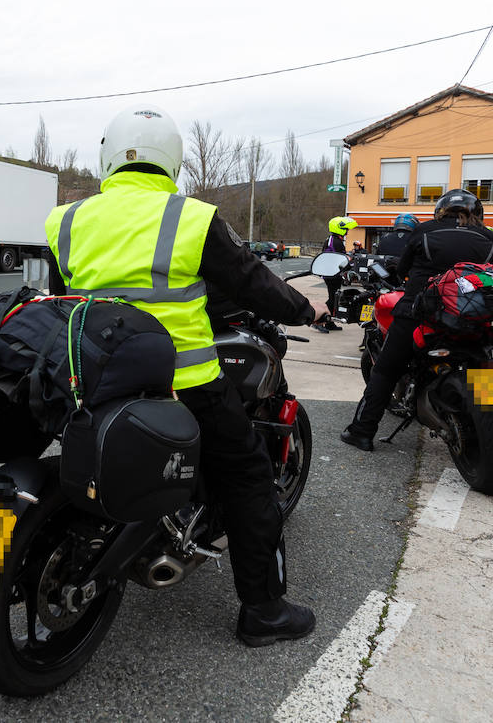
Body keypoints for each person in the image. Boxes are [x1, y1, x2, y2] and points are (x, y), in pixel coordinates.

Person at [43, 106, 329, 646]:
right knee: (247, 476)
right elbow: (253, 283)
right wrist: (306, 310)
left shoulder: (67, 219)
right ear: (173, 159)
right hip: (180, 381)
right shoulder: (191, 218)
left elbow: (67, 297)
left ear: (108, 157)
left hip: (87, 376)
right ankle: (264, 612)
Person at [340, 189, 493, 451]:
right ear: (477, 213)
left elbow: (402, 271)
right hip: (475, 319)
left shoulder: (425, 231)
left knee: (385, 370)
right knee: (491, 367)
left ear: (441, 210)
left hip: (419, 315)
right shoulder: (492, 239)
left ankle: (361, 431)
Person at [316, 216, 357, 332]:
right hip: (332, 274)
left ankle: (329, 323)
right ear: (340, 228)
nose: (347, 231)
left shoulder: (332, 239)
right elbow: (340, 258)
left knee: (334, 298)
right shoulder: (337, 241)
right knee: (332, 299)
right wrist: (350, 262)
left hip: (332, 273)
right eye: (346, 229)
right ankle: (319, 319)